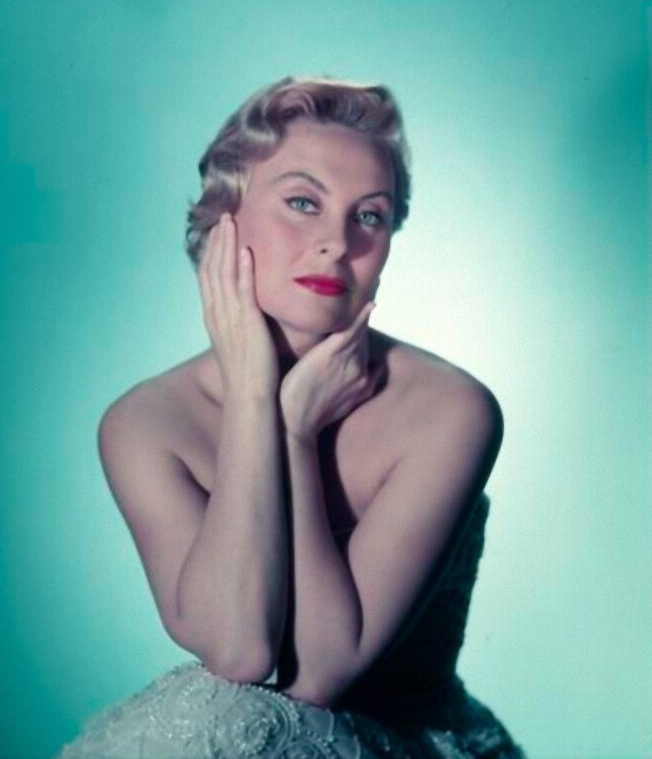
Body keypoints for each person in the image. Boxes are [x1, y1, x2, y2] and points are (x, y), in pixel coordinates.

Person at [55, 76, 527, 758]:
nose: (336, 242)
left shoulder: (452, 409)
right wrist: (255, 394)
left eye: (370, 216)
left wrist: (296, 433)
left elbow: (321, 674)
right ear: (225, 218)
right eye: (303, 203)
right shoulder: (144, 423)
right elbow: (240, 651)